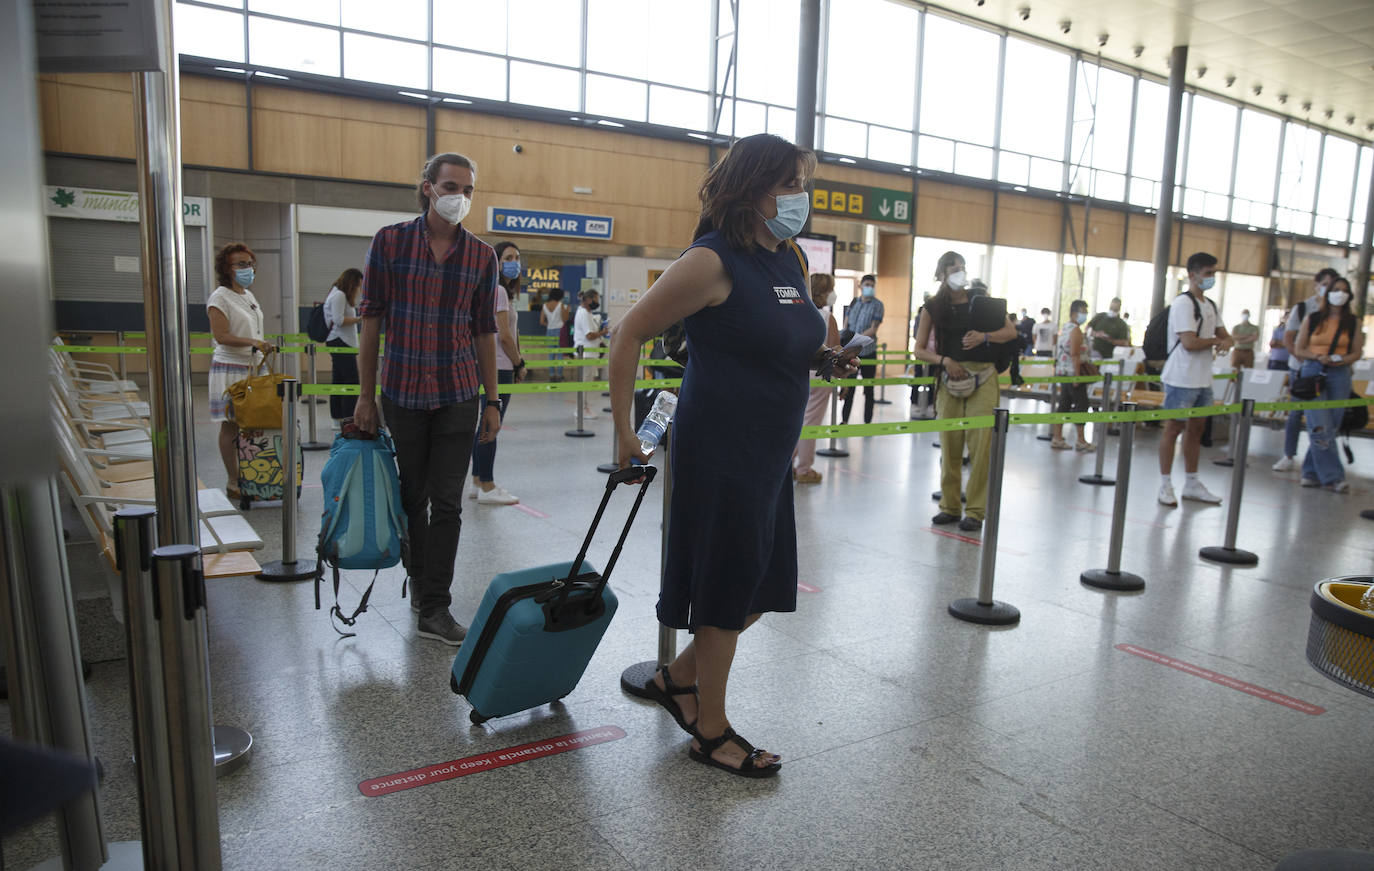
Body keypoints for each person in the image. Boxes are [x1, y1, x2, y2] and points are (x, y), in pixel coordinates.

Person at [607, 133, 851, 777]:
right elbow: (628, 333)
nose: (803, 197)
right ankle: (709, 731)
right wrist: (625, 434)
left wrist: (823, 356)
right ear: (756, 188)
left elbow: (782, 339)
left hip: (769, 452)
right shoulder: (710, 261)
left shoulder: (787, 258)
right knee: (728, 581)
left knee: (763, 582)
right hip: (722, 448)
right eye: (793, 184)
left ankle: (678, 680)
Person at [353, 152, 502, 646]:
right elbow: (370, 319)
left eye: (468, 189)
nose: (460, 196)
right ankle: (421, 584)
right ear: (427, 188)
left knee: (449, 503)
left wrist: (493, 400)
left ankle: (435, 607)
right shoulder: (391, 242)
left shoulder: (482, 256)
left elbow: (484, 331)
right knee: (412, 498)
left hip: (458, 393)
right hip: (402, 392)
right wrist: (365, 396)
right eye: (451, 185)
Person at [912, 251, 1019, 533]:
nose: (960, 273)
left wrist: (985, 337)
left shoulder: (981, 300)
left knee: (981, 446)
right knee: (950, 445)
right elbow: (920, 349)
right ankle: (949, 505)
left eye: (963, 268)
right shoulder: (932, 307)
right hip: (950, 378)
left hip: (984, 376)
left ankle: (975, 510)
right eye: (954, 269)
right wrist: (945, 361)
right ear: (942, 274)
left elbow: (1010, 332)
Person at [1157, 252, 1231, 507]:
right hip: (1181, 377)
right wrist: (1216, 341)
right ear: (1192, 275)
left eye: (1213, 273)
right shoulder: (1182, 304)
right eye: (1207, 273)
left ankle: (1191, 482)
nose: (1211, 278)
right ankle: (1165, 483)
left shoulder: (1209, 305)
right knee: (1173, 428)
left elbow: (1225, 335)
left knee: (1197, 430)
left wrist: (1224, 340)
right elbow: (1189, 342)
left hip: (1203, 379)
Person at [206, 242, 273, 499]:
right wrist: (253, 342)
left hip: (253, 368)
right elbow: (221, 335)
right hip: (231, 369)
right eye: (241, 264)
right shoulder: (220, 297)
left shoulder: (247, 295)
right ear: (227, 268)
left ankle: (253, 475)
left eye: (250, 263)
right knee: (231, 426)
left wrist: (260, 346)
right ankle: (233, 481)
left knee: (253, 425)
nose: (248, 268)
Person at [469, 241, 528, 505]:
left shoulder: (492, 289)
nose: (514, 261)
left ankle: (478, 481)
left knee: (484, 423)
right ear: (497, 260)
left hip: (490, 365)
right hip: (501, 366)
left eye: (516, 257)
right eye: (508, 257)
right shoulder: (500, 292)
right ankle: (488, 486)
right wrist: (519, 363)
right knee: (491, 425)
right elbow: (504, 336)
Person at [1293, 277, 1364, 492]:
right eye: (1336, 290)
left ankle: (1311, 472)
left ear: (1349, 295)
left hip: (1339, 373)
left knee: (1330, 427)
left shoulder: (1353, 322)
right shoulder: (1313, 318)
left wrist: (1343, 360)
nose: (1339, 294)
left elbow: (1356, 351)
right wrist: (1317, 357)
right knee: (1319, 425)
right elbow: (1299, 348)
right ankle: (1333, 477)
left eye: (1344, 290)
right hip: (1314, 371)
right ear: (1328, 293)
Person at [1273, 269, 1338, 471]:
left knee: (1322, 418)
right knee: (1295, 414)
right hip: (1301, 370)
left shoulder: (1338, 311)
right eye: (1326, 284)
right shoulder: (1303, 309)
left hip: (1327, 370)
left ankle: (1315, 461)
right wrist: (1304, 359)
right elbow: (1289, 339)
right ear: (1316, 284)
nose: (1329, 289)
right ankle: (1288, 454)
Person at [793, 273, 841, 484]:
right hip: (821, 374)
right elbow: (835, 349)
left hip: (800, 372)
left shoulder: (799, 311)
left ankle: (790, 462)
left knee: (799, 420)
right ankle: (804, 468)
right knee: (811, 423)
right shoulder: (827, 317)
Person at [1050, 299, 1094, 452]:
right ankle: (1081, 440)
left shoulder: (1065, 328)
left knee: (1064, 403)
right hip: (1072, 373)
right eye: (1083, 311)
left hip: (1063, 372)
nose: (1085, 314)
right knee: (1082, 404)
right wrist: (1077, 376)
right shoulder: (1075, 330)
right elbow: (1075, 354)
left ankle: (1057, 437)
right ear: (1075, 313)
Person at [840, 273, 883, 424]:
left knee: (868, 388)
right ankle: (844, 421)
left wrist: (858, 339)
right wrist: (845, 340)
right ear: (861, 286)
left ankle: (867, 422)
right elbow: (846, 324)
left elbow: (873, 329)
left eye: (872, 285)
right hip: (852, 352)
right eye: (867, 285)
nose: (869, 288)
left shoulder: (878, 305)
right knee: (849, 387)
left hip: (868, 351)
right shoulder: (854, 303)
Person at [323, 267, 363, 422]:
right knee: (351, 381)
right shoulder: (339, 295)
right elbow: (339, 320)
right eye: (358, 285)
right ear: (352, 283)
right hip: (341, 342)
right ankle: (348, 418)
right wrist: (360, 319)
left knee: (339, 379)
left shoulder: (338, 294)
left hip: (344, 342)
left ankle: (338, 416)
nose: (359, 289)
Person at [573, 288, 609, 419]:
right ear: (588, 299)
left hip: (590, 353)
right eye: (595, 300)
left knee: (587, 382)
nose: (597, 303)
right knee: (585, 383)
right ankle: (581, 409)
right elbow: (589, 335)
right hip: (586, 353)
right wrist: (602, 333)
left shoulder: (588, 313)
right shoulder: (583, 314)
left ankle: (584, 407)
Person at [539, 288, 569, 381]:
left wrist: (550, 324)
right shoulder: (561, 305)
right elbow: (565, 319)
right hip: (560, 331)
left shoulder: (545, 306)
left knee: (551, 355)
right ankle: (560, 375)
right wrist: (567, 309)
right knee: (560, 354)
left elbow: (541, 321)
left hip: (549, 331)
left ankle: (552, 375)